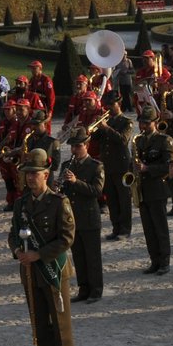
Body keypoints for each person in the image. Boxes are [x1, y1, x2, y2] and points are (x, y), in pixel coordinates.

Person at [9, 149, 76, 346]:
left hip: (53, 268)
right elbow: (13, 234)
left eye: (35, 174)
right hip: (29, 271)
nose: (30, 178)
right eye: (27, 173)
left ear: (46, 175)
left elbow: (66, 238)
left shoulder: (58, 202)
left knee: (59, 319)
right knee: (38, 318)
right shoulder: (21, 204)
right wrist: (18, 251)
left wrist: (39, 254)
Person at [59, 130, 105, 303]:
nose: (74, 150)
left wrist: (76, 182)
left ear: (86, 146)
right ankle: (83, 288)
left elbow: (97, 191)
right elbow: (63, 192)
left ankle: (96, 290)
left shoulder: (95, 166)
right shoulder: (67, 165)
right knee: (78, 256)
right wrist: (59, 186)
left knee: (92, 257)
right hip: (72, 218)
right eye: (72, 146)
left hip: (89, 217)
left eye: (78, 146)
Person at [132, 107, 173, 274]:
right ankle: (154, 260)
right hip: (143, 189)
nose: (143, 125)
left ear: (155, 122)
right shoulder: (139, 140)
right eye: (142, 122)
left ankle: (165, 261)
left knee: (160, 228)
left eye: (146, 122)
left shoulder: (165, 140)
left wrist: (147, 168)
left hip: (158, 188)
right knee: (148, 229)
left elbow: (169, 166)